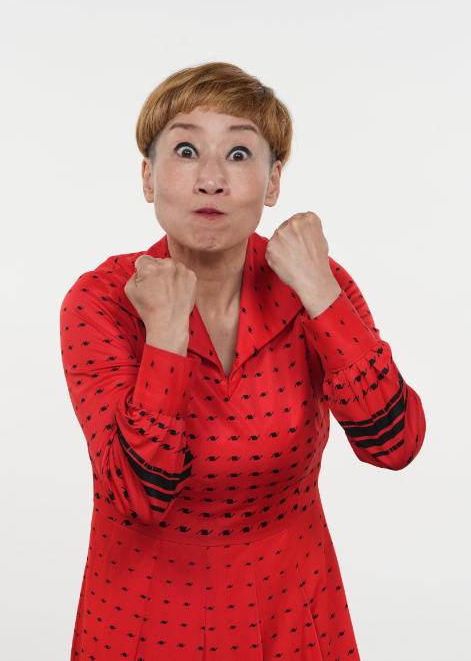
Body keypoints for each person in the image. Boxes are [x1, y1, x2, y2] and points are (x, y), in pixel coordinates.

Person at [59, 61, 426, 661]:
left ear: (273, 182)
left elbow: (395, 444)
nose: (211, 180)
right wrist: (166, 336)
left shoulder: (316, 284)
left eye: (238, 154)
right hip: (145, 614)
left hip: (294, 605)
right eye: (186, 150)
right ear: (148, 176)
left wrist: (322, 294)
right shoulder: (101, 301)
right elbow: (138, 494)